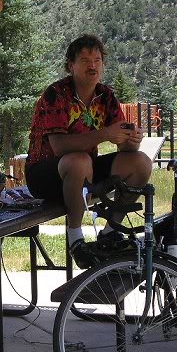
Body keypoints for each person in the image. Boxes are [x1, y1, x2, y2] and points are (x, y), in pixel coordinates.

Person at [25, 34, 152, 268]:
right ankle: (75, 239)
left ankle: (110, 233)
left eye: (97, 59)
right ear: (71, 66)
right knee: (79, 160)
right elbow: (59, 146)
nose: (92, 65)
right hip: (44, 174)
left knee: (140, 162)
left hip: (84, 171)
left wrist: (131, 139)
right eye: (84, 60)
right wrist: (105, 134)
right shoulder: (56, 94)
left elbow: (123, 144)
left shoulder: (106, 95)